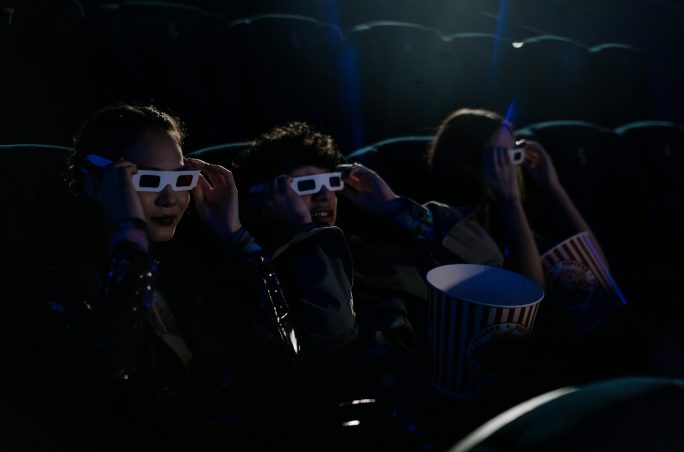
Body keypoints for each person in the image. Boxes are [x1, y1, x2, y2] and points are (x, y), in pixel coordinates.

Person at [13, 104, 318, 450]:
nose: (170, 197)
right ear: (97, 183)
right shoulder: (58, 277)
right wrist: (130, 236)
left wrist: (236, 237)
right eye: (148, 180)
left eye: (179, 179)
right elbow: (106, 382)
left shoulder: (194, 264)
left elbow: (286, 361)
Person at [233, 122, 504, 400]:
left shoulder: (375, 249)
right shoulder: (266, 280)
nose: (325, 195)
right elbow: (336, 344)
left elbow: (489, 267)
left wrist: (395, 208)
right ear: (261, 198)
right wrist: (305, 234)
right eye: (306, 185)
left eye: (330, 183)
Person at [426, 108, 608, 286]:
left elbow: (597, 270)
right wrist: (510, 202)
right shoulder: (456, 229)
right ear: (467, 165)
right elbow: (531, 290)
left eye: (514, 152)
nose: (513, 166)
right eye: (501, 156)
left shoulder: (524, 209)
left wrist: (553, 187)